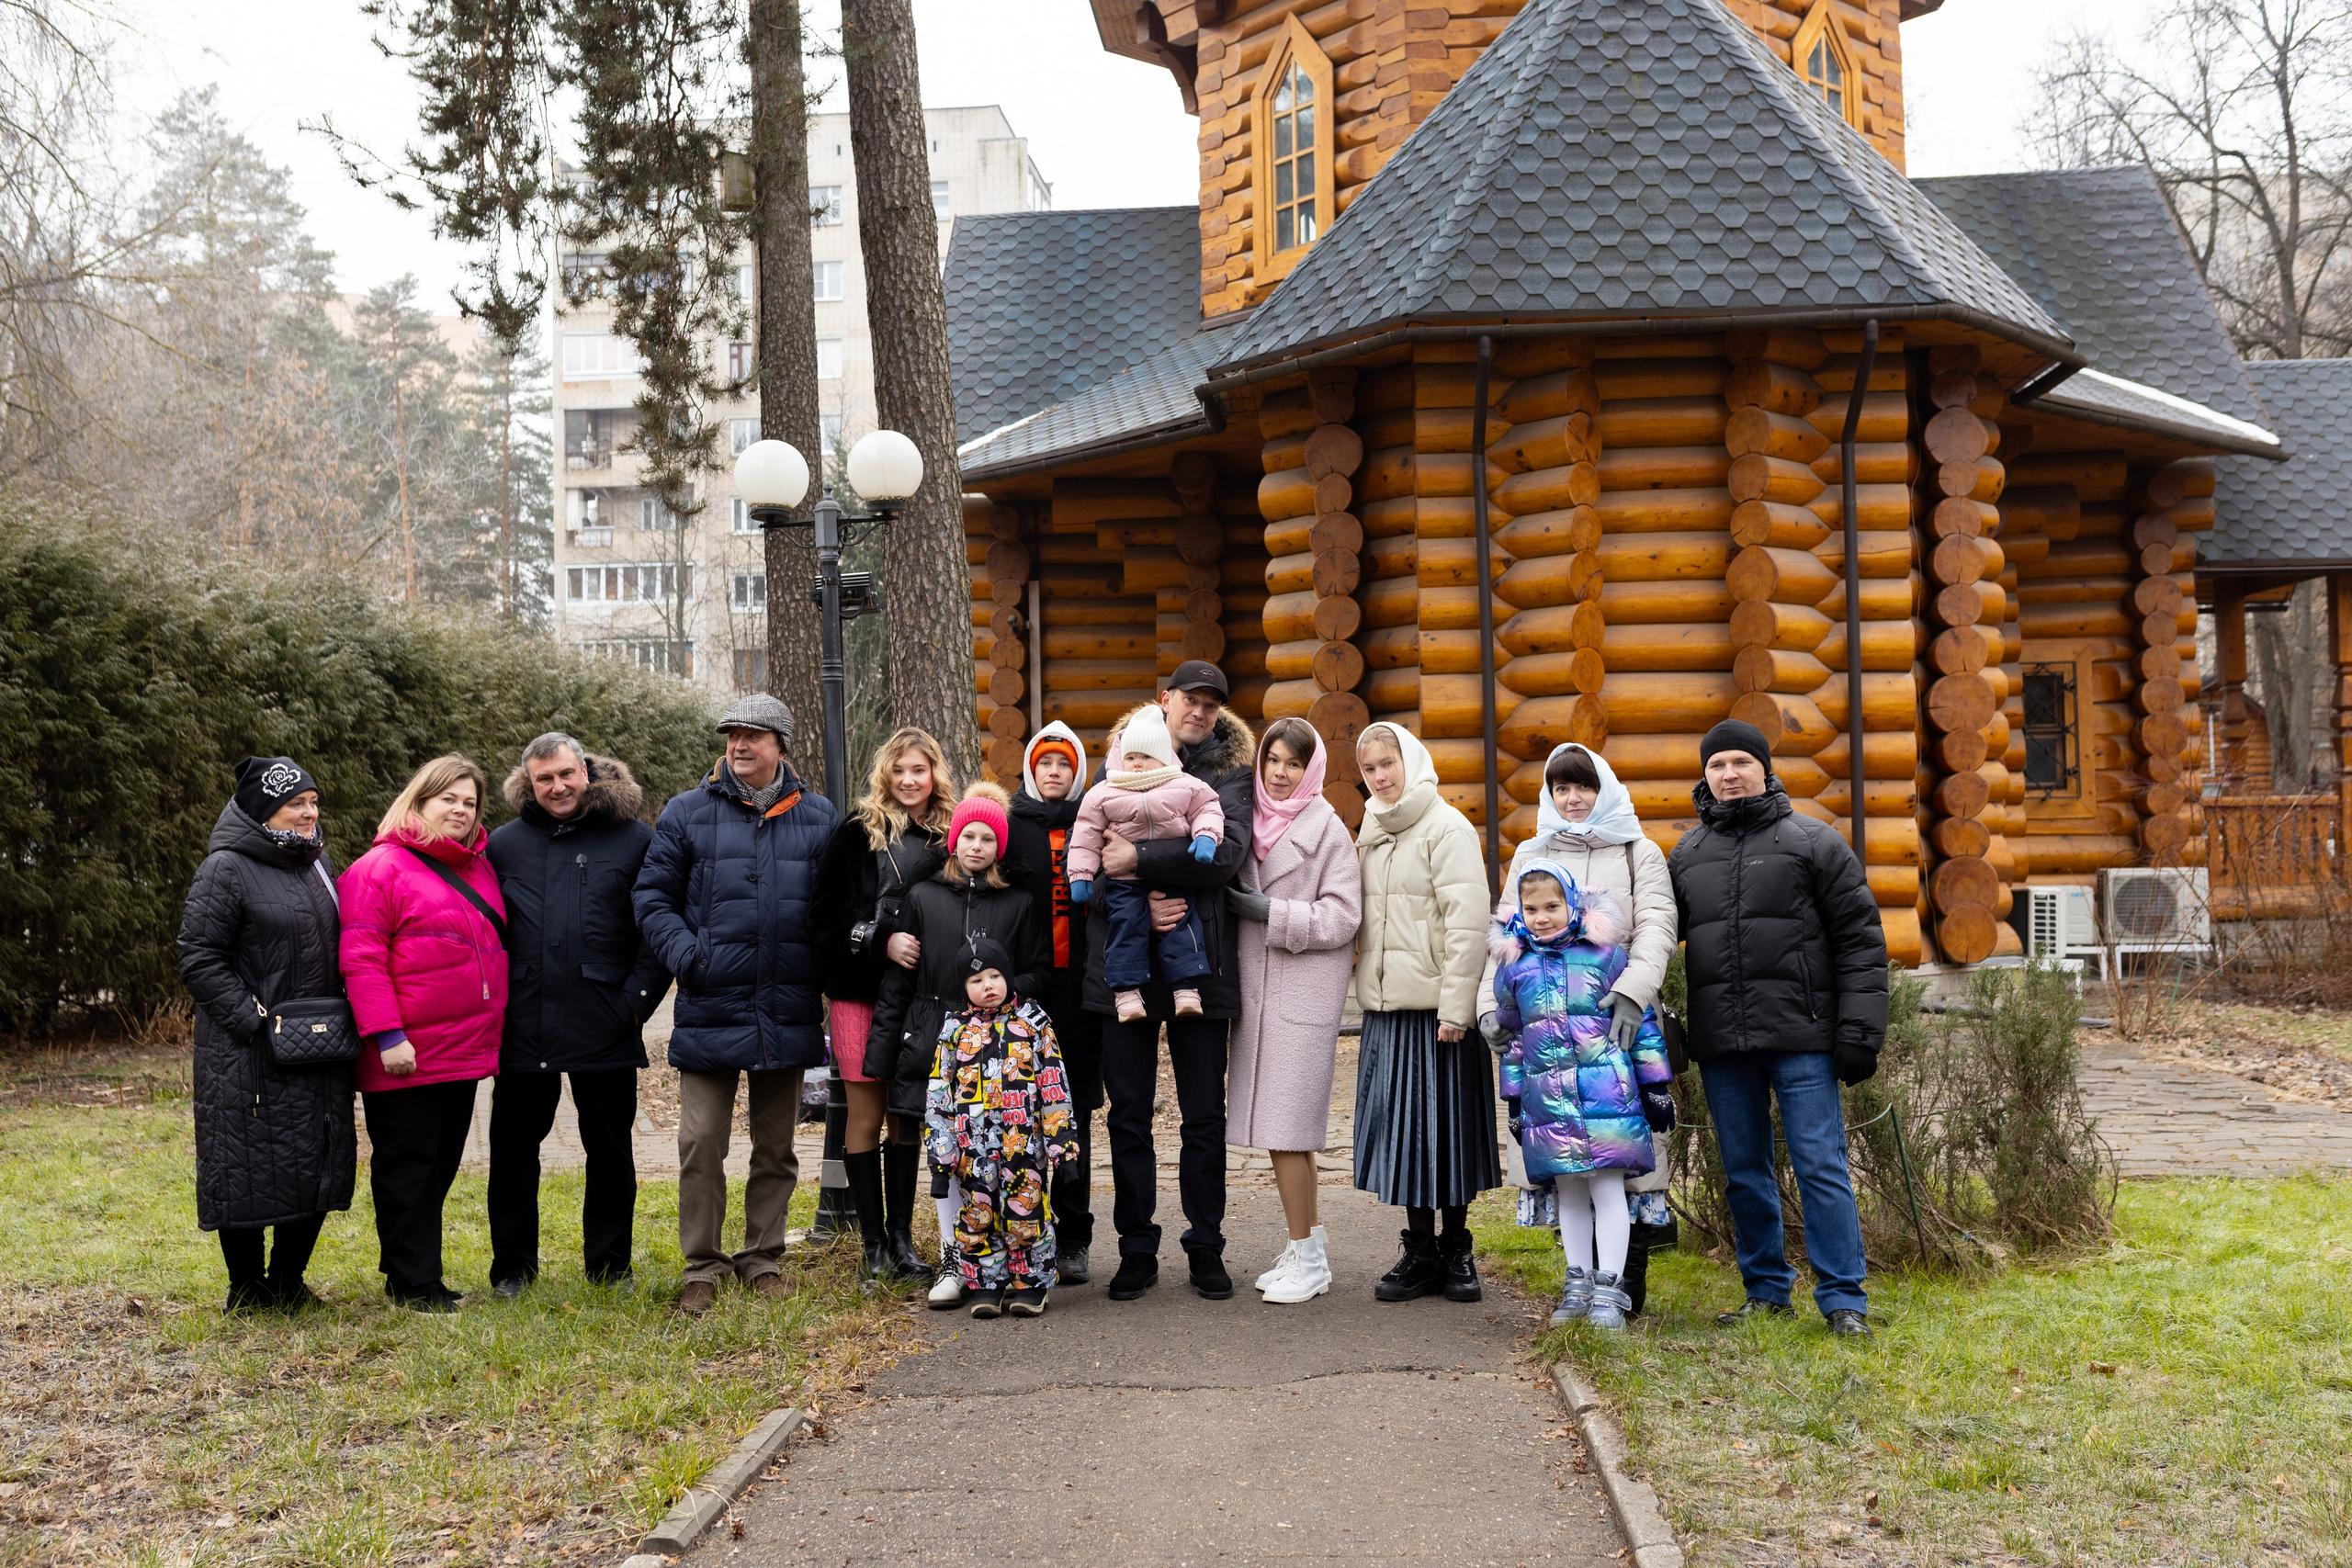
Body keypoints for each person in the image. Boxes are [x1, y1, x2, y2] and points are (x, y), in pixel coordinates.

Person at [1668, 718, 1888, 1338]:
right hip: (1724, 1047)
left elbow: (1860, 941)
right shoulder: (1686, 857)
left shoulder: (1814, 842)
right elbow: (1654, 941)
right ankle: (1766, 1291)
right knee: (1743, 1169)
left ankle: (1844, 1299)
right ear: (1705, 775)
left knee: (1820, 1164)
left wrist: (1860, 1031)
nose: (1729, 773)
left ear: (1764, 768)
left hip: (1802, 1040)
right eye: (1717, 765)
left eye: (1741, 761)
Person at [634, 694, 839, 1315]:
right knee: (700, 1141)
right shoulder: (686, 812)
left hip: (787, 1003)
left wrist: (819, 966)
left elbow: (835, 906)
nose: (739, 745)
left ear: (781, 745)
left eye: (753, 735)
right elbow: (651, 897)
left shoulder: (820, 816)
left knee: (776, 1146)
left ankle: (762, 1255)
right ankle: (702, 1263)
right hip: (710, 1001)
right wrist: (688, 955)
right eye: (732, 735)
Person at [1477, 741, 1678, 1313]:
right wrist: (1488, 1009)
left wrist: (1632, 994)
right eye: (1561, 788)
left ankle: (1621, 1286)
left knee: (1620, 1168)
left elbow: (1658, 928)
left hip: (1614, 1021)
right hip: (1545, 1036)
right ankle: (1581, 1281)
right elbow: (1505, 939)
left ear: (1605, 788)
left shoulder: (1639, 852)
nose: (1572, 799)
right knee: (1567, 1169)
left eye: (1583, 786)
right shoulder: (1530, 854)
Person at [1085, 661, 1257, 1304]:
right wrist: (1129, 890)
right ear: (1165, 699)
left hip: (1198, 960)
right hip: (1124, 967)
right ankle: (1135, 1247)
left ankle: (1205, 1245)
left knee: (1202, 1114)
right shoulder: (1122, 761)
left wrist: (1143, 861)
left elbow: (1229, 854)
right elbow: (1092, 860)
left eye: (1213, 704)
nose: (1202, 711)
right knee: (1128, 1113)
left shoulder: (1230, 771)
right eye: (1192, 699)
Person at [485, 734, 670, 1296]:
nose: (558, 787)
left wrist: (634, 1004)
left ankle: (611, 1267)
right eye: (545, 779)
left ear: (586, 771)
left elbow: (656, 929)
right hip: (524, 1022)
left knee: (610, 1150)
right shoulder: (503, 845)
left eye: (567, 774)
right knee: (513, 1152)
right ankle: (513, 1270)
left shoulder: (635, 840)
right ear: (529, 784)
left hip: (605, 1017)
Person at [176, 756, 356, 1314]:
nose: (309, 813)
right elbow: (199, 957)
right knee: (247, 1165)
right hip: (247, 1051)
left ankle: (288, 1282)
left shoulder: (318, 862)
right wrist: (254, 1022)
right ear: (262, 810)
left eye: (313, 801)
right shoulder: (225, 868)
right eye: (294, 804)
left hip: (317, 1047)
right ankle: (248, 1288)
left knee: (314, 1159)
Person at [339, 754, 506, 1311]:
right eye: (448, 800)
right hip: (405, 1048)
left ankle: (406, 1268)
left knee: (439, 1164)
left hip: (461, 1047)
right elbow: (361, 959)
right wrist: (387, 1036)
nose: (460, 811)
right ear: (419, 802)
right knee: (407, 1165)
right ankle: (416, 1285)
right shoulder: (378, 869)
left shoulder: (477, 868)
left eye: (470, 802)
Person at [868, 784, 1051, 1286]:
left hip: (995, 1054)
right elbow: (899, 981)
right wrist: (884, 1052)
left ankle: (993, 1259)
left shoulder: (1016, 902)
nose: (976, 846)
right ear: (953, 840)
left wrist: (1005, 989)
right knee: (938, 1150)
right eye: (968, 835)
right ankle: (950, 1259)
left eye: (988, 839)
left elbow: (1040, 969)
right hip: (930, 1039)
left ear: (1000, 848)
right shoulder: (923, 897)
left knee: (985, 1155)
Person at [1350, 721, 1495, 1303]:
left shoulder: (1447, 828)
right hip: (1389, 1008)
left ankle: (1457, 1249)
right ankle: (1420, 1251)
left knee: (1448, 1133)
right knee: (1408, 1137)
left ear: (1411, 761)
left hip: (1439, 1011)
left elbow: (1468, 926)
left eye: (1389, 764)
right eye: (1370, 769)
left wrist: (1458, 1008)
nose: (1381, 778)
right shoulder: (1371, 827)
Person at [811, 728, 956, 1289]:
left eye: (918, 770)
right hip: (859, 994)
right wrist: (878, 940)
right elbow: (823, 917)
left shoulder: (948, 836)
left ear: (934, 774)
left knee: (907, 1116)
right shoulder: (856, 832)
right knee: (866, 1115)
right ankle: (871, 1243)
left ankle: (901, 1238)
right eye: (899, 771)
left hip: (924, 1000)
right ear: (885, 775)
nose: (909, 781)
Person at [1225, 717, 1361, 1304]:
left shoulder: (1328, 831)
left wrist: (1269, 912)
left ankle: (1310, 1261)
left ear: (1312, 771)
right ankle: (1304, 1245)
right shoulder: (1243, 820)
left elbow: (1342, 918)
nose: (1280, 774)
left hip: (1302, 997)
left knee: (1287, 1133)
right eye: (1272, 761)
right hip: (1259, 996)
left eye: (1293, 764)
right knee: (1290, 1136)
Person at [923, 936, 1081, 1318]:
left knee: (1025, 1215)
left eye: (995, 976)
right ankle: (987, 1284)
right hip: (970, 1149)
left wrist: (1063, 1148)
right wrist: (941, 1160)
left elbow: (1054, 1086)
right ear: (964, 988)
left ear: (1008, 977)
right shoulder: (954, 1032)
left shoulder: (1033, 1024)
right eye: (976, 981)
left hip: (1023, 1144)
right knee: (977, 1215)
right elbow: (939, 1096)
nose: (988, 986)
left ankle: (1030, 1284)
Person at [1000, 722, 1101, 1291]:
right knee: (1023, 1113)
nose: (1055, 772)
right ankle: (1024, 1233)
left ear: (1078, 771)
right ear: (1032, 771)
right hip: (1028, 989)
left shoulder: (1094, 819)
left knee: (1075, 1115)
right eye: (1046, 763)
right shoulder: (1011, 829)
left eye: (1065, 764)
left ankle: (1075, 1237)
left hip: (1084, 992)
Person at [1066, 704, 1226, 1021]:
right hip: (1124, 882)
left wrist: (1206, 837)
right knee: (1125, 925)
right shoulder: (1105, 792)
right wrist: (1081, 876)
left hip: (1172, 874)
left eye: (1145, 757)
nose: (1137, 764)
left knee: (1181, 924)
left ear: (1163, 757)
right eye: (1130, 757)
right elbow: (1086, 833)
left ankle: (1186, 989)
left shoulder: (1183, 784)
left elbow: (1208, 808)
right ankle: (1126, 994)